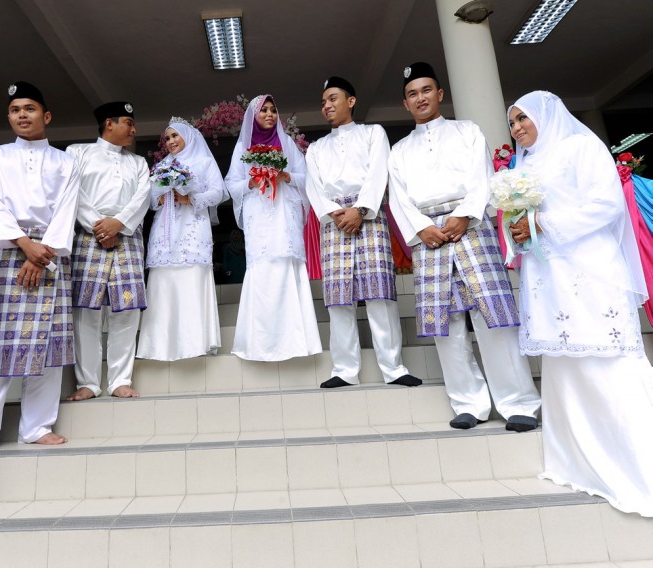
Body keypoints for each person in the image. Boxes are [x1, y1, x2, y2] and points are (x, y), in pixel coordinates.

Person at [507, 91, 653, 515]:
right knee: (565, 365)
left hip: (589, 271)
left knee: (608, 364)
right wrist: (522, 229)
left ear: (546, 115)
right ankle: (576, 461)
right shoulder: (523, 165)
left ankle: (638, 466)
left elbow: (606, 206)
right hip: (548, 276)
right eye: (512, 123)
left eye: (523, 118)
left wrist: (541, 222)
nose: (517, 129)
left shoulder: (580, 147)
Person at [388, 62, 541, 430]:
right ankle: (468, 403)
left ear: (439, 94)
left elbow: (482, 176)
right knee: (447, 322)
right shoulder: (399, 150)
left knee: (493, 316)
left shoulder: (467, 131)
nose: (420, 98)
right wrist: (422, 228)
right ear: (405, 103)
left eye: (426, 90)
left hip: (470, 228)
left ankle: (519, 403)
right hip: (428, 237)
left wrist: (464, 215)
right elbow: (398, 198)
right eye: (412, 94)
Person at [0, 81, 80, 462]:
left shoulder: (66, 162)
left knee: (48, 341)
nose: (22, 115)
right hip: (9, 253)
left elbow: (66, 210)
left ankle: (37, 427)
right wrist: (24, 245)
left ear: (46, 116)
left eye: (29, 109)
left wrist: (39, 253)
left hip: (51, 254)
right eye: (15, 110)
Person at [305, 77, 418, 388]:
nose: (327, 105)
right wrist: (335, 213)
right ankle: (344, 370)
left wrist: (361, 209)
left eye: (333, 98)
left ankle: (393, 368)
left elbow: (379, 172)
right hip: (335, 223)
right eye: (323, 102)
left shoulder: (373, 133)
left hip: (369, 217)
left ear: (351, 101)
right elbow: (314, 187)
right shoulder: (315, 148)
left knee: (379, 294)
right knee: (339, 298)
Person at [225, 94, 322, 361]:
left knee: (285, 264)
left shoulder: (286, 143)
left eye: (273, 110)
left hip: (284, 213)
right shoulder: (243, 147)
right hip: (258, 214)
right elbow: (231, 183)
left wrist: (285, 175)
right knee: (263, 268)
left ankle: (296, 343)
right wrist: (252, 182)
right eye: (264, 110)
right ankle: (258, 344)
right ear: (253, 116)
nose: (270, 114)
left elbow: (306, 176)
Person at [66, 101, 150, 399]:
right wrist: (99, 227)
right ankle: (88, 382)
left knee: (126, 309)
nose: (134, 129)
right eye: (129, 122)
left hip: (127, 236)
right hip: (88, 236)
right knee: (86, 310)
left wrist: (119, 223)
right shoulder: (78, 152)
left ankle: (120, 380)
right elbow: (72, 192)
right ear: (109, 123)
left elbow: (143, 196)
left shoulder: (138, 162)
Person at [137, 118, 225, 360]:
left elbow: (218, 192)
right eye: (167, 138)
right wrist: (161, 198)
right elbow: (150, 199)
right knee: (163, 283)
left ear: (188, 136)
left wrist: (190, 198)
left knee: (191, 278)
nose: (170, 141)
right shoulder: (162, 165)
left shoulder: (204, 162)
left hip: (193, 230)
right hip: (165, 231)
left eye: (175, 136)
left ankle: (196, 344)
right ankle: (158, 347)